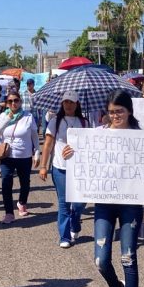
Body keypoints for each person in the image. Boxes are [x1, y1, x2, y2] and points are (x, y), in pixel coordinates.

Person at [66, 90, 144, 287]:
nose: (115, 116)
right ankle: (115, 286)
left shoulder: (142, 135)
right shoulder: (98, 134)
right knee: (101, 259)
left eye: (120, 111)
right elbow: (82, 158)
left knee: (128, 257)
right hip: (104, 204)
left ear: (129, 111)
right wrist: (70, 154)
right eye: (111, 112)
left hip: (131, 203)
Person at [38, 90, 88, 248]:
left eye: (71, 102)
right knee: (64, 203)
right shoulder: (55, 121)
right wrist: (43, 166)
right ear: (62, 103)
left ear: (77, 104)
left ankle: (75, 220)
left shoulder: (84, 122)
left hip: (80, 169)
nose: (68, 104)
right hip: (60, 168)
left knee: (80, 203)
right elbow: (47, 144)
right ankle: (64, 236)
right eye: (66, 101)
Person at [0, 90, 40, 224]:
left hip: (24, 156)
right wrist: (8, 118)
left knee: (25, 183)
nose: (13, 103)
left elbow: (35, 136)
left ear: (20, 101)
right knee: (6, 183)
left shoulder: (28, 116)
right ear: (7, 103)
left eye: (16, 100)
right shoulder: (3, 116)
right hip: (7, 156)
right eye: (10, 101)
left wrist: (37, 152)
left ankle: (22, 202)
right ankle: (9, 212)